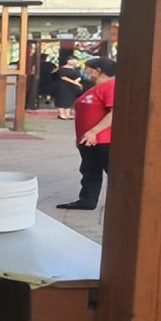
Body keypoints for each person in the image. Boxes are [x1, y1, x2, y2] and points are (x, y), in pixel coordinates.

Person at [57, 57, 116, 210]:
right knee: (90, 170)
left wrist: (94, 131)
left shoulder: (110, 86)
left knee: (113, 171)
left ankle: (123, 203)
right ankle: (87, 201)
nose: (85, 72)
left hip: (103, 139)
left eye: (88, 69)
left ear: (98, 71)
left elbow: (114, 112)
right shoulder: (95, 88)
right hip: (88, 140)